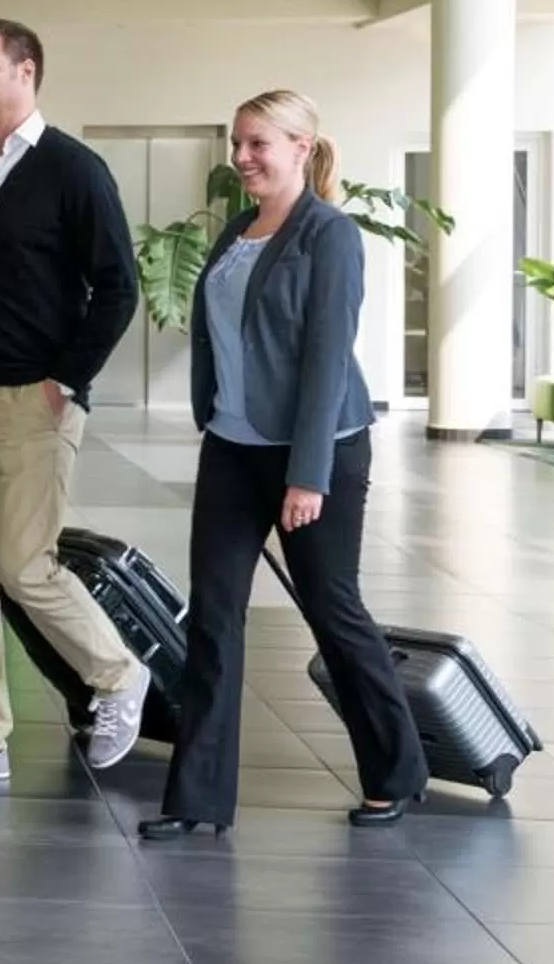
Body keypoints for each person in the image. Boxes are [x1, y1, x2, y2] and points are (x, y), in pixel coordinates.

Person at [145, 91, 423, 835]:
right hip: (234, 447)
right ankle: (198, 799)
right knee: (213, 615)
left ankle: (397, 771)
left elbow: (328, 357)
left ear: (303, 146)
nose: (242, 157)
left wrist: (308, 474)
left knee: (332, 610)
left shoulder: (329, 234)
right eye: (238, 143)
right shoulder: (238, 229)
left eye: (259, 143)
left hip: (317, 448)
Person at [0, 18, 152, 786]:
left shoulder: (74, 170)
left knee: (24, 567)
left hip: (33, 402)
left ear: (27, 71)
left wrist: (66, 379)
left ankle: (118, 676)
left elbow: (118, 286)